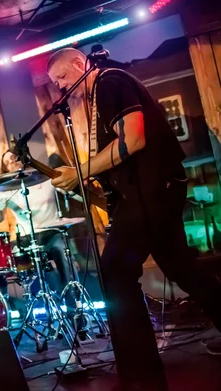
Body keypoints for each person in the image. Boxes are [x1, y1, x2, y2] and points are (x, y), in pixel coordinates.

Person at [46, 47, 221, 390]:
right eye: (54, 84)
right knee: (182, 268)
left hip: (151, 193)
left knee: (116, 272)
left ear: (80, 64)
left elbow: (134, 138)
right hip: (154, 192)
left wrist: (80, 172)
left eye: (62, 78)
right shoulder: (101, 93)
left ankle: (143, 375)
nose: (60, 88)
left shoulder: (110, 82)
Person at [0, 150, 77, 310]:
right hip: (25, 237)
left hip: (52, 232)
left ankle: (73, 306)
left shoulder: (45, 178)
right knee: (1, 264)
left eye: (13, 158)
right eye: (6, 163)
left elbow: (70, 192)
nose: (11, 163)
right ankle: (22, 309)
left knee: (61, 251)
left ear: (22, 158)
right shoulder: (6, 188)